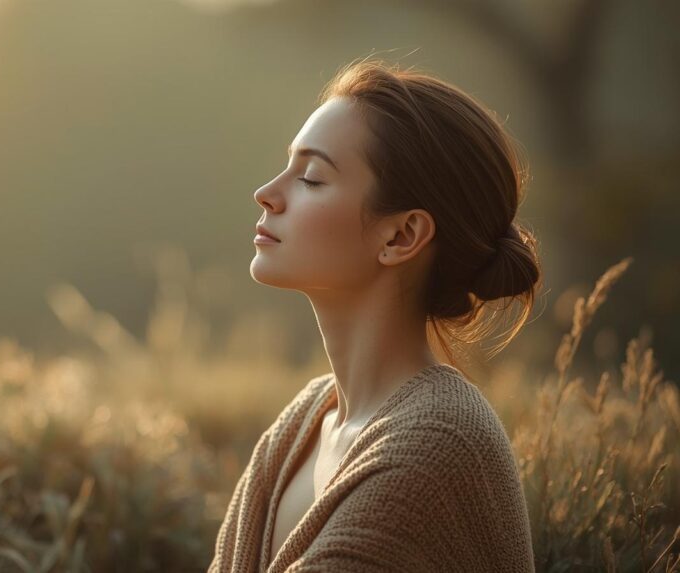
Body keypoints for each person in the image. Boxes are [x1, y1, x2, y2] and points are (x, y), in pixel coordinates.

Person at [209, 57, 541, 572]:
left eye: (312, 178)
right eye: (288, 167)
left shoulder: (440, 443)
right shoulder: (305, 420)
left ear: (401, 236)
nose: (267, 194)